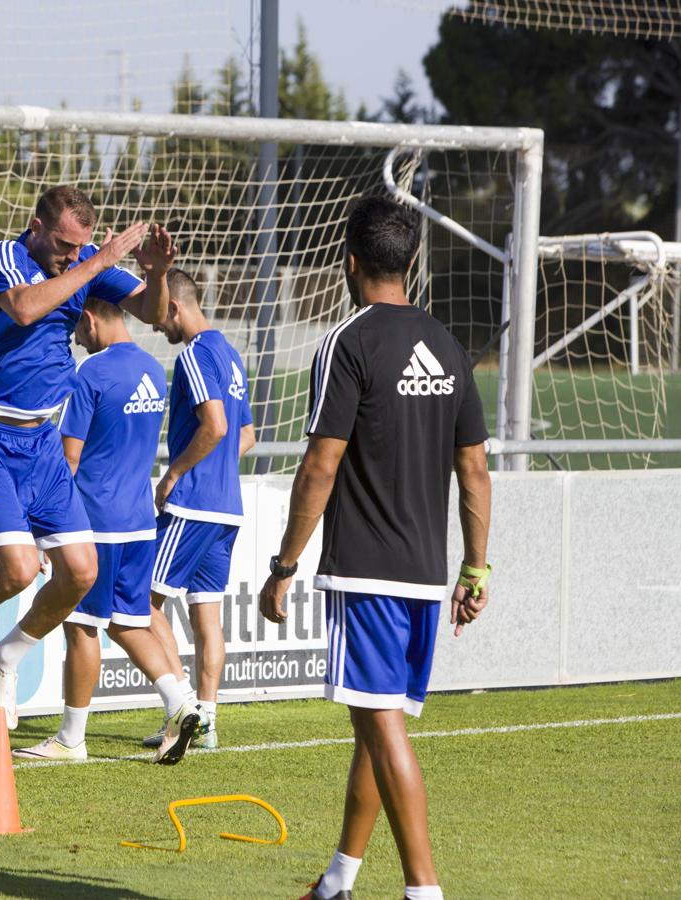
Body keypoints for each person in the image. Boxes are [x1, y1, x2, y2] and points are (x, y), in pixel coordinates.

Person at [257, 196, 491, 900]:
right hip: (424, 574)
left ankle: (425, 890)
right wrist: (475, 567)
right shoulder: (449, 346)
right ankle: (337, 883)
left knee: (381, 724)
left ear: (349, 261)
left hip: (367, 572)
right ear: (410, 263)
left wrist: (284, 565)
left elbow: (320, 464)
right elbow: (474, 470)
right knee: (373, 718)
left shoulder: (347, 342)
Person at [0, 185, 175, 729]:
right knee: (21, 569)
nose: (70, 255)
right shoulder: (6, 256)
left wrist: (159, 272)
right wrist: (98, 260)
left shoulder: (82, 264)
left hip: (41, 444)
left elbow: (156, 313)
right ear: (36, 226)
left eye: (79, 247)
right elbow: (26, 309)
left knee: (81, 571)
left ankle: (6, 655)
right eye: (62, 243)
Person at [11, 297, 201, 766]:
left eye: (77, 329)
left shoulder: (91, 374)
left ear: (91, 319)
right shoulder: (155, 369)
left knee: (80, 627)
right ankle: (181, 703)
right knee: (128, 623)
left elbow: (68, 459)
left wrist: (45, 530)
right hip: (139, 523)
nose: (76, 339)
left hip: (96, 523)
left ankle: (71, 738)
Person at [141, 267, 255, 752]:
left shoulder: (193, 354)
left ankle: (182, 708)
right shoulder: (230, 355)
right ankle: (205, 720)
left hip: (191, 505)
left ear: (175, 306)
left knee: (140, 599)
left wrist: (175, 474)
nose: (155, 326)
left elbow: (216, 426)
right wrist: (218, 468)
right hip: (227, 508)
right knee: (206, 613)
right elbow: (246, 433)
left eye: (158, 316)